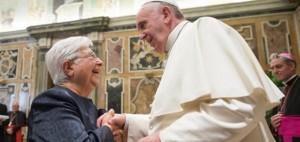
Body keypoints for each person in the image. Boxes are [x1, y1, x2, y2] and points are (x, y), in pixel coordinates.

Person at [98, 0, 284, 141]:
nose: (140, 35)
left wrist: (162, 139)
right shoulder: (179, 48)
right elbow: (178, 122)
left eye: (143, 25)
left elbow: (237, 108)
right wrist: (128, 121)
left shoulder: (203, 29)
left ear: (165, 14)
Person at [27, 36, 121, 142]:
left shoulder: (85, 104)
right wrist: (108, 129)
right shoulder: (53, 101)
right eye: (91, 56)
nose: (100, 62)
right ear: (68, 67)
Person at [269, 52, 300, 142]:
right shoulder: (279, 92)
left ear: (291, 66)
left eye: (279, 67)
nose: (275, 71)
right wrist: (273, 124)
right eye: (272, 68)